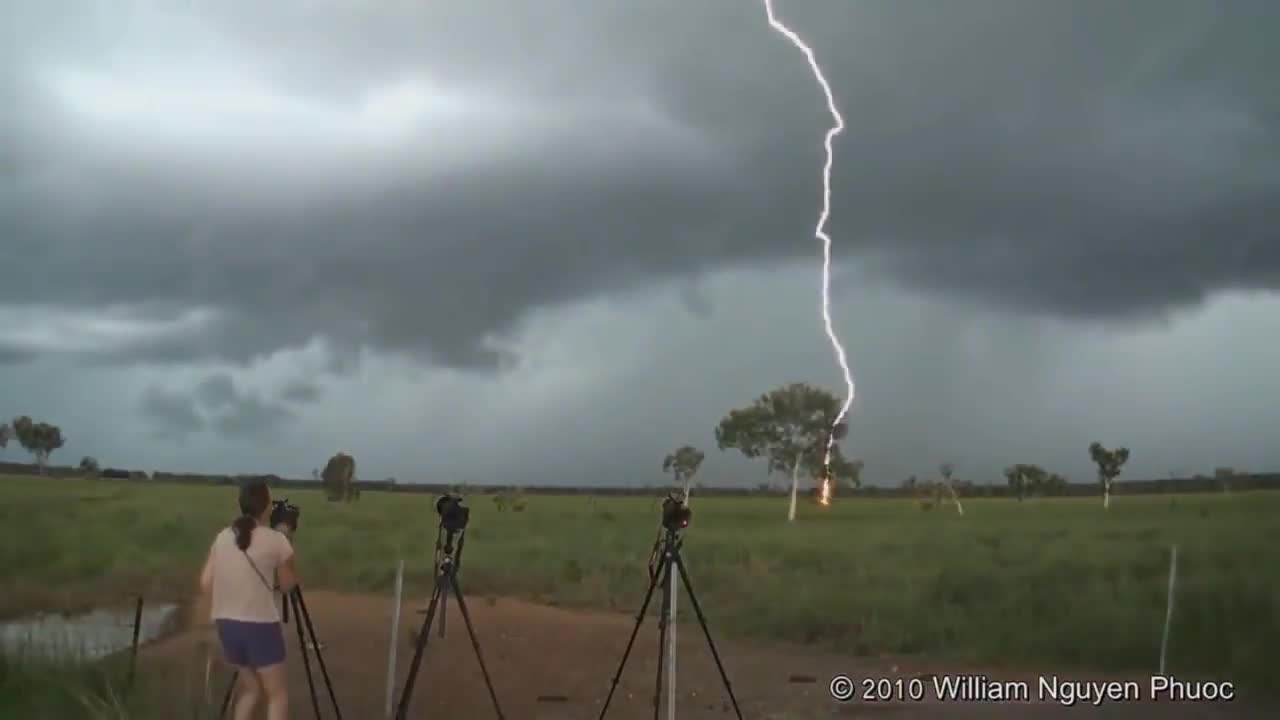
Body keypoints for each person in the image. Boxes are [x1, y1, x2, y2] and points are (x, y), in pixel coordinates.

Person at [199, 477, 298, 720]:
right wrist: (285, 535)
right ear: (266, 507)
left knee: (250, 690)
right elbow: (287, 586)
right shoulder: (277, 541)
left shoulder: (222, 537)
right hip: (260, 626)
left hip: (227, 626)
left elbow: (205, 583)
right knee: (277, 694)